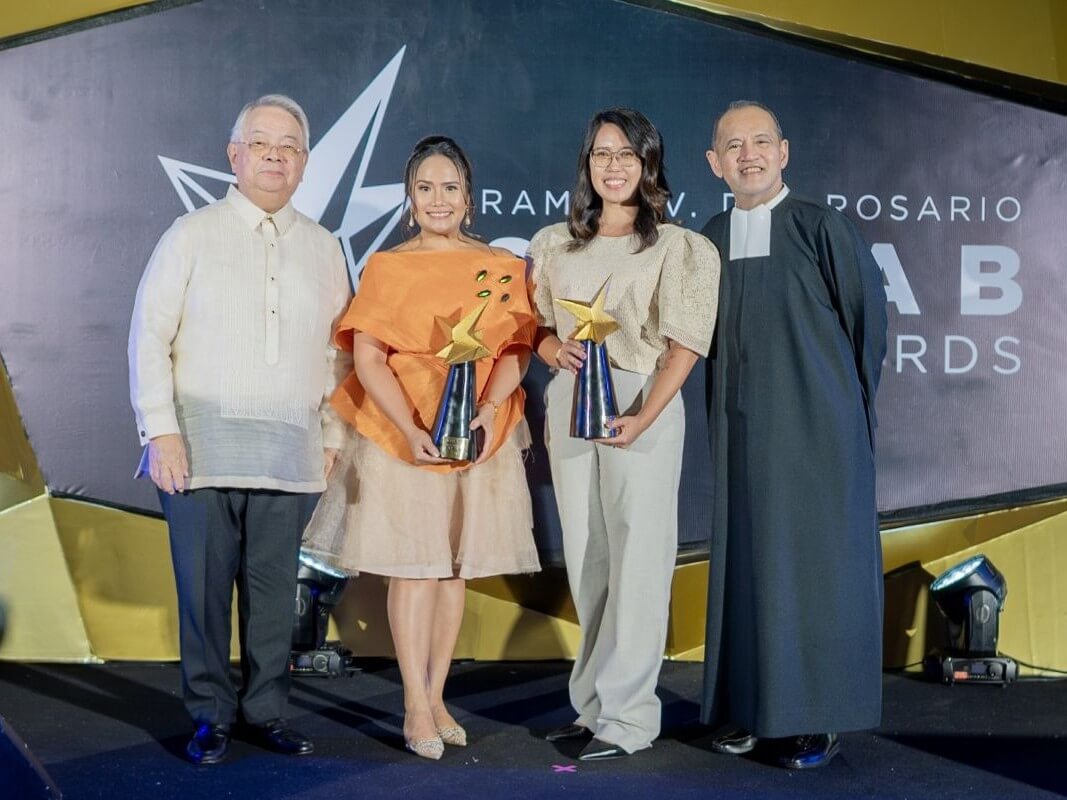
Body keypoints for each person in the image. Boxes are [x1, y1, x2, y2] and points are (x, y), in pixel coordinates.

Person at [128, 95, 351, 764]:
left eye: (289, 145)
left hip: (289, 449)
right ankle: (208, 715)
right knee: (202, 593)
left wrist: (334, 435)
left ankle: (265, 711)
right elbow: (148, 336)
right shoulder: (190, 233)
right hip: (196, 448)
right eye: (261, 143)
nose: (275, 155)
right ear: (235, 155)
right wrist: (159, 430)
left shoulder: (323, 246)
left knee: (272, 595)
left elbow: (339, 353)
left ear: (306, 163)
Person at [302, 136, 540, 760]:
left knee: (452, 568)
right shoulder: (388, 266)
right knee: (413, 568)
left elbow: (517, 349)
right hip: (401, 435)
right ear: (410, 200)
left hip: (479, 438)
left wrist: (489, 413)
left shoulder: (500, 266)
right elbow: (368, 355)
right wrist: (408, 428)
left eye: (450, 188)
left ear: (469, 197)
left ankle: (437, 697)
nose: (439, 200)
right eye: (425, 189)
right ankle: (412, 705)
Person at [699, 100, 888, 769]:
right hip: (741, 429)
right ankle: (747, 708)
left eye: (759, 142)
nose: (747, 155)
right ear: (713, 163)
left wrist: (838, 410)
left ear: (783, 152)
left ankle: (814, 718)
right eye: (733, 145)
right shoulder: (711, 235)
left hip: (816, 430)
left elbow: (868, 324)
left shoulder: (819, 225)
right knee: (751, 567)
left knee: (812, 569)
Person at [528, 108, 720, 761]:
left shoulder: (677, 246)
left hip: (643, 403)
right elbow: (530, 326)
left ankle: (631, 718)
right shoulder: (554, 244)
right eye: (601, 153)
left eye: (627, 154)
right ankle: (592, 707)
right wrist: (551, 348)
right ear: (586, 163)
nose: (613, 166)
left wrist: (645, 414)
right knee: (588, 559)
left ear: (648, 164)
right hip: (571, 408)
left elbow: (686, 345)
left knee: (638, 559)